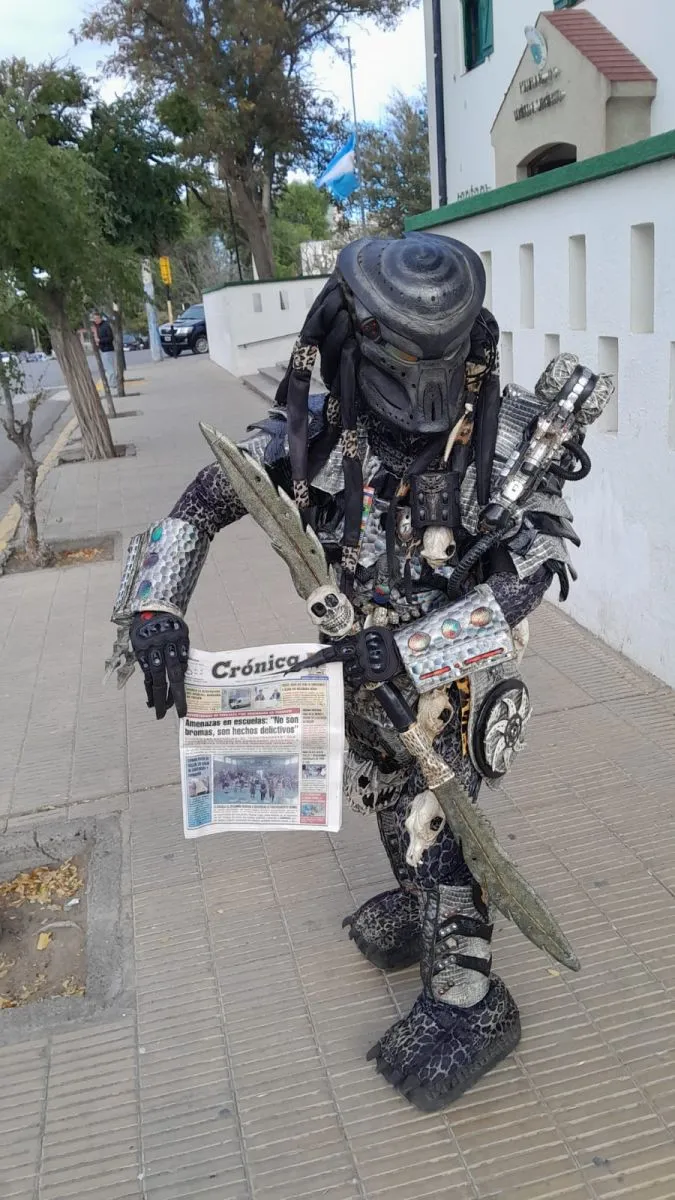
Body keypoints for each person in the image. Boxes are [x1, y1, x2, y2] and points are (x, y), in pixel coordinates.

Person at [108, 232, 612, 1112]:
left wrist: (413, 650)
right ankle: (423, 909)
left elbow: (531, 574)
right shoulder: (315, 430)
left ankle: (467, 989)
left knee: (444, 820)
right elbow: (207, 497)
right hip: (354, 668)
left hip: (452, 679)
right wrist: (156, 607)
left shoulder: (507, 438)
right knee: (385, 798)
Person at [91, 312, 117, 395]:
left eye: (97, 318)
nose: (95, 320)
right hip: (102, 349)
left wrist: (100, 341)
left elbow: (110, 338)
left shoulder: (106, 326)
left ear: (100, 318)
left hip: (107, 349)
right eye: (94, 319)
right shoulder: (97, 327)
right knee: (107, 367)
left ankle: (113, 384)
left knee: (110, 368)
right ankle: (111, 383)